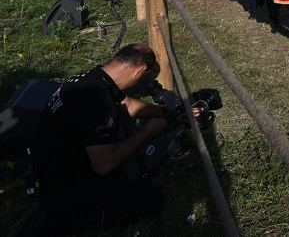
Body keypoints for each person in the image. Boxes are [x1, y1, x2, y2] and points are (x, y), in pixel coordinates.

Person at [32, 43, 196, 232]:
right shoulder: (98, 102)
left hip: (50, 165)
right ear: (140, 70)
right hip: (64, 187)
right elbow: (104, 165)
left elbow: (126, 103)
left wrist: (164, 112)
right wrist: (148, 131)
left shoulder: (94, 77)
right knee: (150, 199)